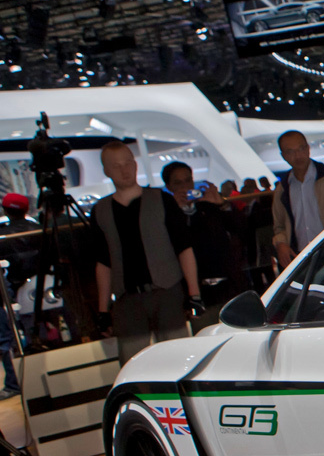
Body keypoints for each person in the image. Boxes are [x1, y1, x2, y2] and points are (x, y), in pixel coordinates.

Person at [91, 140, 202, 364]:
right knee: (133, 363)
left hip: (167, 290)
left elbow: (184, 248)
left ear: (135, 164)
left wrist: (194, 294)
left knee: (178, 359)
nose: (124, 170)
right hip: (127, 298)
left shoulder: (161, 200)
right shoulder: (101, 210)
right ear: (106, 171)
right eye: (116, 166)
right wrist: (103, 310)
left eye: (128, 163)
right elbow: (103, 262)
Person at [161, 161, 248, 318]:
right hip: (197, 290)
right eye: (178, 183)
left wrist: (221, 204)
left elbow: (241, 228)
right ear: (169, 187)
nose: (185, 187)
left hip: (229, 284)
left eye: (188, 180)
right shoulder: (168, 215)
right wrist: (177, 211)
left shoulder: (208, 207)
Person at [270, 129, 324, 269]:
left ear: (308, 148)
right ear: (283, 156)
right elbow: (279, 226)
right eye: (290, 152)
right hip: (302, 258)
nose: (298, 155)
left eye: (301, 148)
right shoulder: (283, 189)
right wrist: (281, 243)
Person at [0, 194, 38, 397]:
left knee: (8, 338)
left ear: (6, 210)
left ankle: (14, 384)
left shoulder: (3, 236)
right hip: (39, 290)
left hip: (10, 293)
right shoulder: (38, 229)